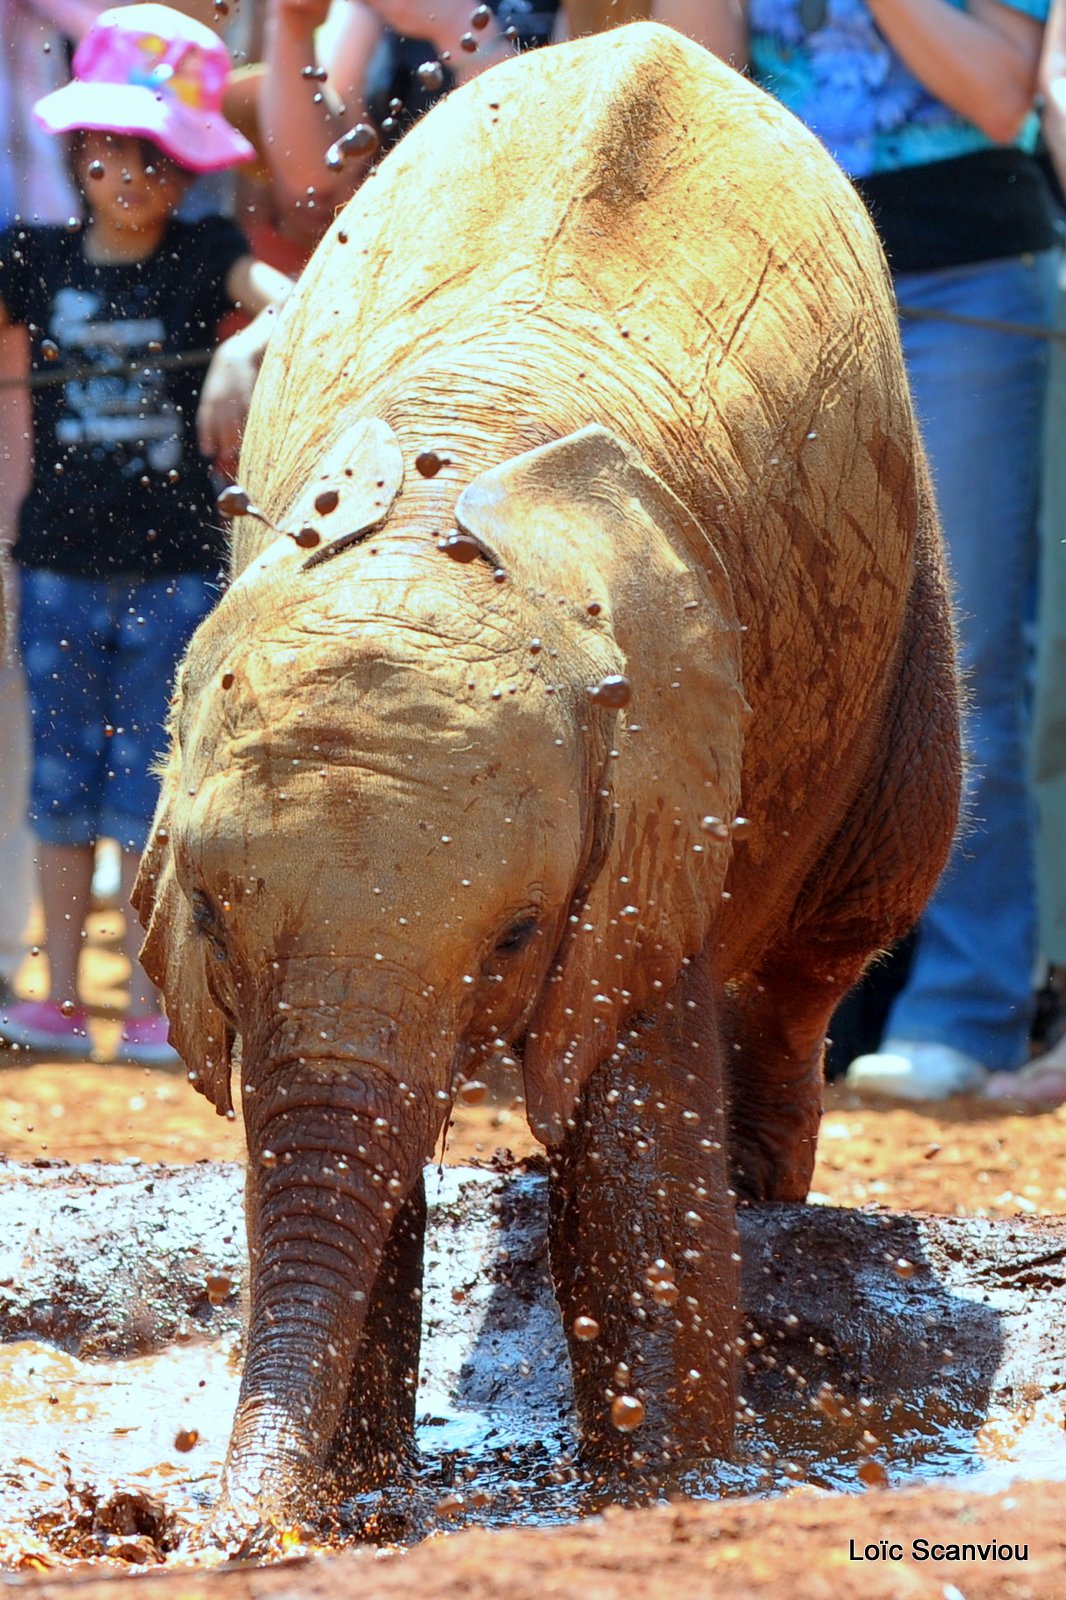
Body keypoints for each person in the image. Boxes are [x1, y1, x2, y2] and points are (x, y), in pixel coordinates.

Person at [658, 0, 1059, 1100]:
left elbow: (1001, 95)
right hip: (774, 286)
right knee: (769, 644)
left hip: (974, 280)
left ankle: (967, 1012)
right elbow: (699, 92)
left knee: (969, 649)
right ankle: (756, 1000)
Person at [0, 2, 292, 1064]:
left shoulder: (206, 250)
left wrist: (242, 342)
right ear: (81, 150)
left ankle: (164, 1000)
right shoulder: (28, 258)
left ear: (191, 169)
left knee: (157, 788)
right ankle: (59, 995)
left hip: (174, 567)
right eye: (116, 151)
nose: (136, 174)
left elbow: (295, 298)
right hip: (57, 567)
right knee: (61, 786)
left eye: (162, 156)